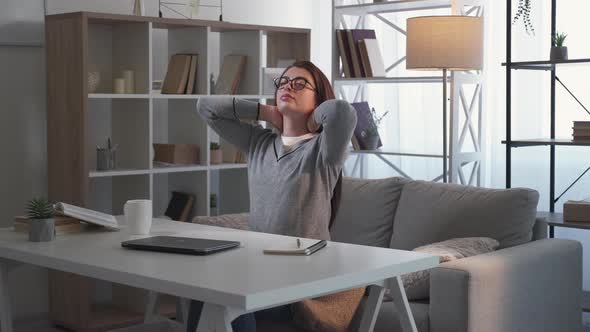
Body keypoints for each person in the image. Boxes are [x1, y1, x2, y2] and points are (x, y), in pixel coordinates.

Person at [188, 60, 357, 332]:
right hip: (258, 270)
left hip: (302, 282)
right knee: (203, 286)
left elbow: (342, 112)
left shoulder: (324, 151)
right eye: (284, 82)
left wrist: (312, 120)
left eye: (300, 83)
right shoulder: (259, 143)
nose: (289, 86)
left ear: (318, 97)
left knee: (229, 294)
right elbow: (205, 107)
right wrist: (266, 111)